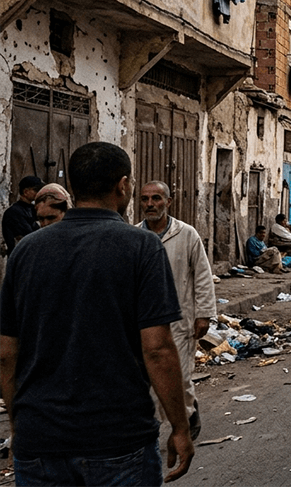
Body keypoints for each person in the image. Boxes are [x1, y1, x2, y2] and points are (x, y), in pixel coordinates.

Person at [1, 142, 193, 484]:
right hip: (118, 439)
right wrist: (180, 426)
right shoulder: (141, 246)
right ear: (123, 185)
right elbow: (157, 348)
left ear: (73, 187)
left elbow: (6, 353)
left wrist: (20, 426)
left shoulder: (25, 251)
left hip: (40, 440)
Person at [138, 180, 215, 441]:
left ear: (168, 202)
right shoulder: (134, 236)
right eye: (145, 199)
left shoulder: (187, 234)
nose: (150, 204)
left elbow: (202, 275)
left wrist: (204, 314)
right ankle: (153, 428)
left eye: (156, 198)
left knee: (179, 376)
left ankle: (188, 416)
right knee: (149, 379)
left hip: (180, 321)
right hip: (145, 323)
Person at [2, 175, 43, 252]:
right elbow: (31, 236)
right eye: (36, 190)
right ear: (26, 192)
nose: (39, 193)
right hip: (21, 255)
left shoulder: (33, 208)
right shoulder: (14, 212)